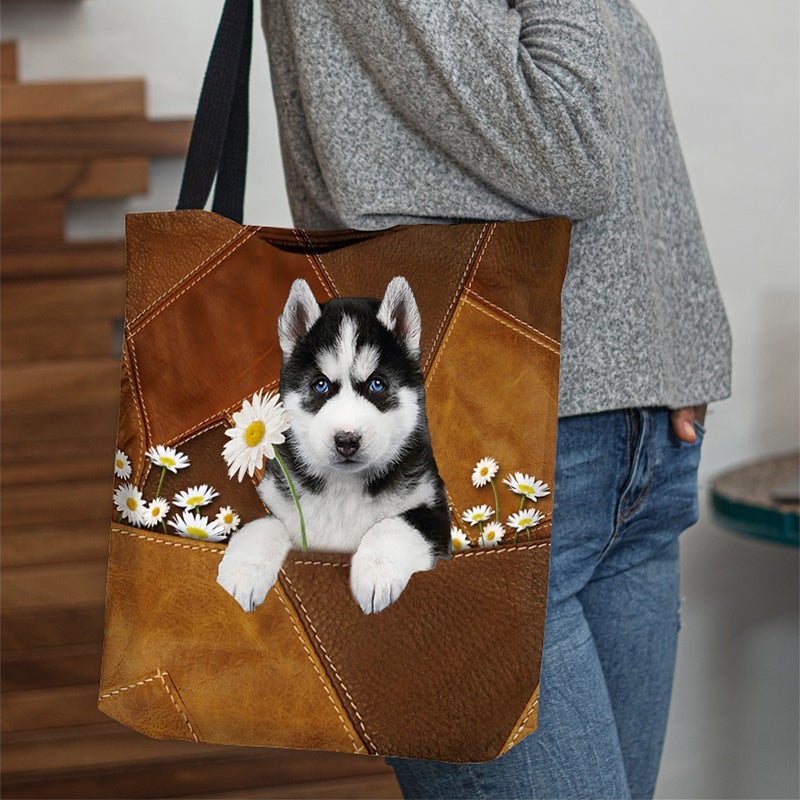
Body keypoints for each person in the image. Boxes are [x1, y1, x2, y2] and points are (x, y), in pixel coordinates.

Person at [259, 1, 732, 797]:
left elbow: (620, 116)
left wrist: (671, 346)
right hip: (478, 465)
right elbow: (570, 146)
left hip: (632, 455)